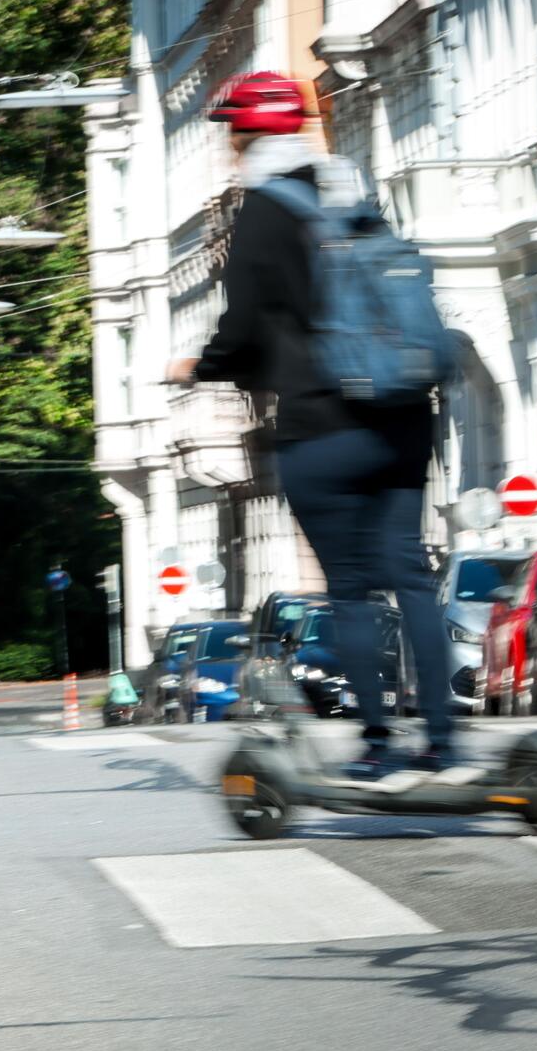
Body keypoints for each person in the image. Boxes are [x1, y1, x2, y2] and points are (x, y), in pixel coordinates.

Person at [165, 70, 455, 776]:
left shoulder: (263, 211)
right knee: (411, 575)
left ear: (244, 135)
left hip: (322, 425)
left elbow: (242, 328)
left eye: (231, 134)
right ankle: (444, 741)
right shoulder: (352, 190)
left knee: (350, 588)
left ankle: (380, 744)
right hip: (401, 413)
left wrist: (199, 366)